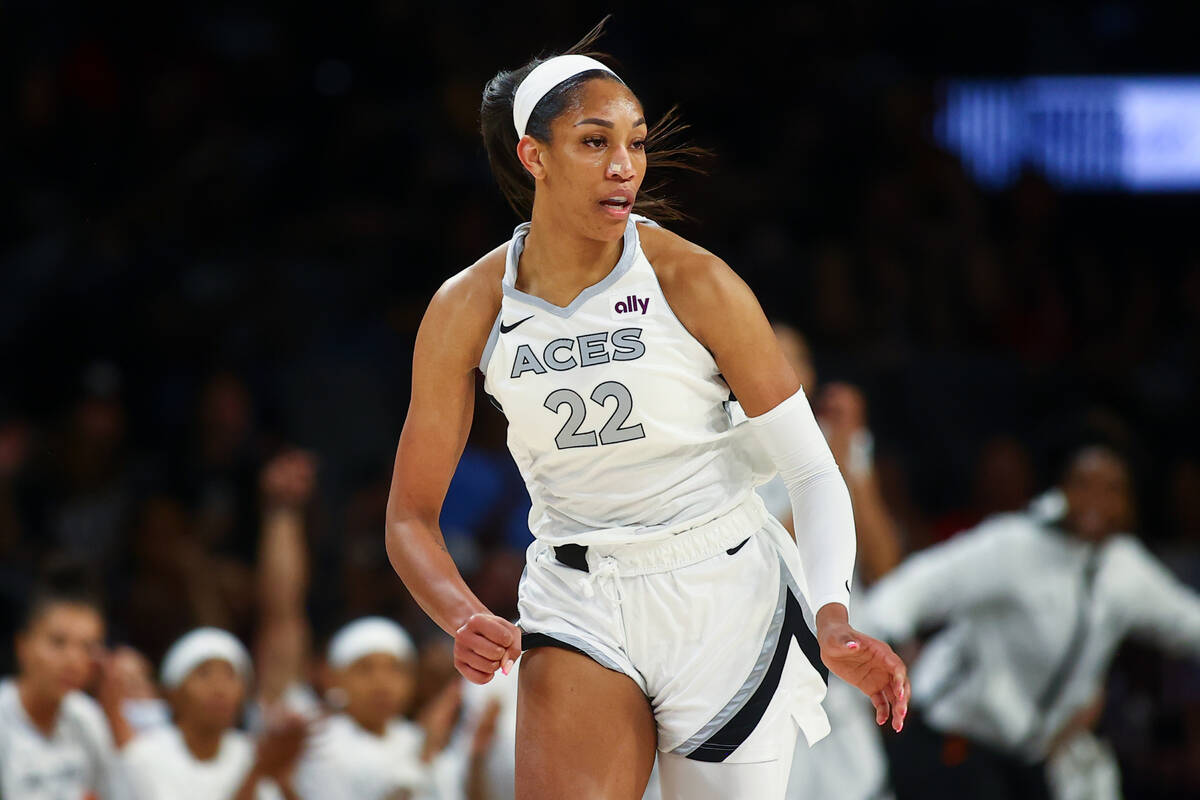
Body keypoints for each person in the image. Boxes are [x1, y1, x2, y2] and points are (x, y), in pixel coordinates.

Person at [384, 19, 908, 799]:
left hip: (722, 592)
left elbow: (810, 468)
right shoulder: (466, 307)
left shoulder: (694, 279)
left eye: (634, 141)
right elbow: (408, 518)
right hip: (578, 590)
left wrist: (831, 614)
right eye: (595, 142)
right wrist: (463, 616)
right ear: (535, 156)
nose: (624, 164)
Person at [863, 443, 1200, 800]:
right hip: (956, 741)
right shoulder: (1016, 544)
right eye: (1083, 484)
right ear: (1063, 488)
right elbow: (920, 585)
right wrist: (886, 639)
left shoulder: (1126, 570)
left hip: (1028, 759)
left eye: (1111, 489)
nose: (1095, 499)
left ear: (1129, 502)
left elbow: (1187, 622)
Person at [121, 628, 307, 800]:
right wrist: (256, 774)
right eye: (204, 674)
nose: (220, 689)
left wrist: (284, 781)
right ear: (171, 693)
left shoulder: (250, 753)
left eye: (230, 675)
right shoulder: (143, 757)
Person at [292, 616, 461, 800]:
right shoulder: (321, 745)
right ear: (334, 678)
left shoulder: (415, 737)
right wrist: (421, 760)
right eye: (364, 669)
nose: (382, 684)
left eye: (396, 669)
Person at [0, 583, 131, 799]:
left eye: (88, 647)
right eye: (58, 643)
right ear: (22, 646)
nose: (74, 661)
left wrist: (115, 713)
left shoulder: (88, 717)